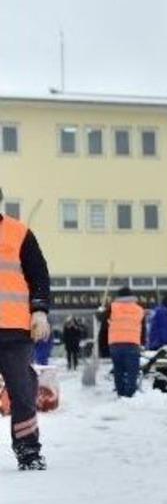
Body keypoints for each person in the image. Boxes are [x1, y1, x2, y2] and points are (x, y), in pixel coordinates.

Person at [0, 201, 51, 470]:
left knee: (22, 393)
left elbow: (39, 276)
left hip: (15, 333)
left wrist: (39, 310)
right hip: (14, 331)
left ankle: (28, 451)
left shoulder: (19, 233)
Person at [106, 287, 144, 397]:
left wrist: (99, 312)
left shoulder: (112, 308)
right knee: (132, 370)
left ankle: (121, 393)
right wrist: (142, 342)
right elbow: (143, 328)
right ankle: (130, 394)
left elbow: (101, 318)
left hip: (115, 344)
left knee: (118, 370)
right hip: (132, 343)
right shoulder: (139, 309)